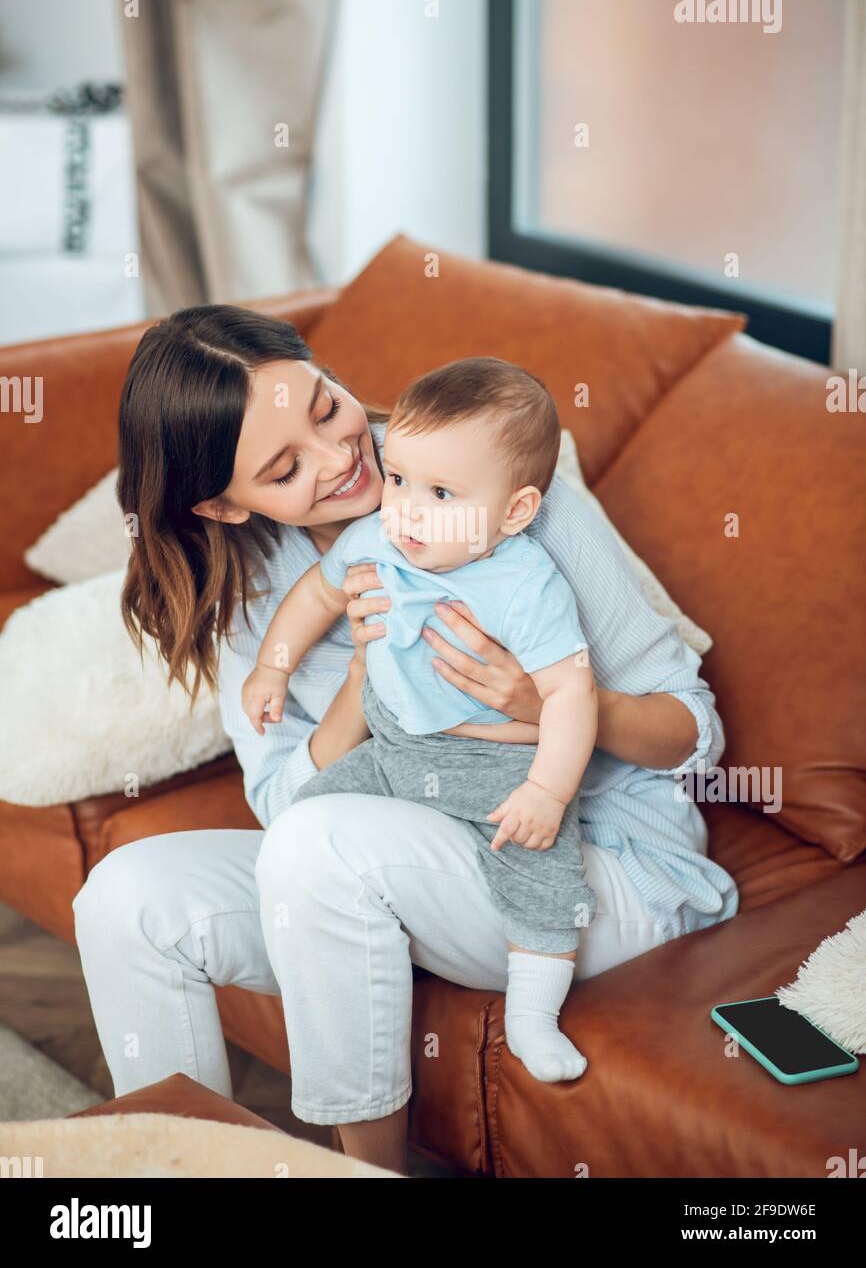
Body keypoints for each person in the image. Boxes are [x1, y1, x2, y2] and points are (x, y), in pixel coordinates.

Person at [72, 304, 739, 1175]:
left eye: (326, 408)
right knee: (126, 898)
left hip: (593, 863)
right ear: (223, 507)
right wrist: (360, 678)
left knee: (322, 844)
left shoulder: (481, 481)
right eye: (283, 467)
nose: (345, 458)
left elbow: (696, 732)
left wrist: (545, 702)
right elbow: (281, 803)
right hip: (381, 863)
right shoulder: (252, 587)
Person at [243, 357, 600, 1084]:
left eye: (440, 494)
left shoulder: (523, 583)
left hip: (497, 770)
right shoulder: (377, 536)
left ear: (514, 513)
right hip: (394, 747)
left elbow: (569, 694)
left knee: (543, 881)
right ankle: (314, 948)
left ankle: (533, 1017)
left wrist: (548, 793)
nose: (404, 507)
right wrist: (273, 666)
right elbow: (317, 594)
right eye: (400, 478)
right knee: (300, 831)